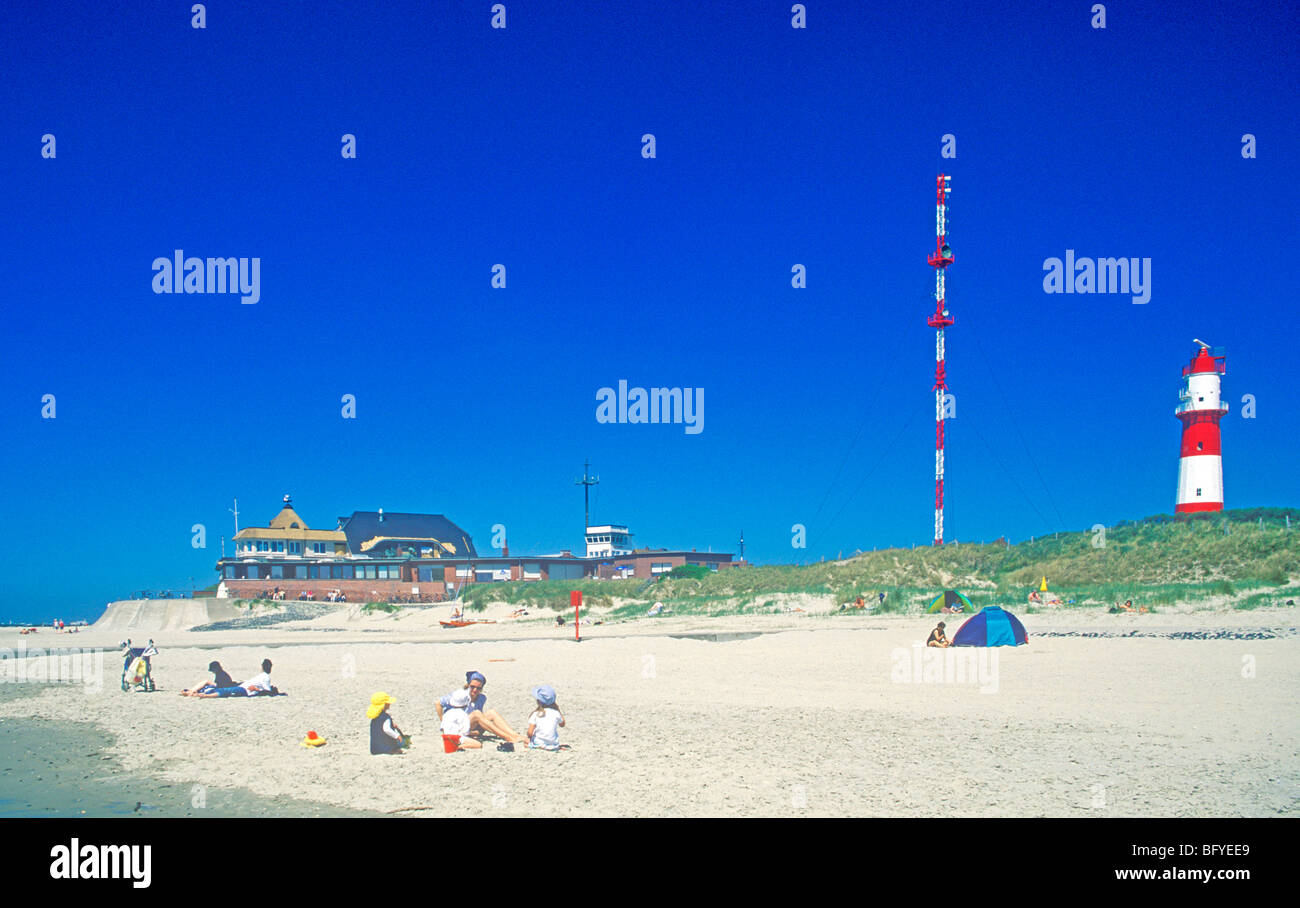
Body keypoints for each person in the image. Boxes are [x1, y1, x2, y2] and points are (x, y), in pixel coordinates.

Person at [435, 671, 527, 746]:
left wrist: (477, 732)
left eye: (478, 688)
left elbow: (482, 721)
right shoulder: (460, 695)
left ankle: (514, 735)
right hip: (457, 726)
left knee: (491, 712)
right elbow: (438, 703)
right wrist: (443, 724)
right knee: (477, 714)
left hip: (468, 724)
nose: (475, 690)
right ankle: (507, 737)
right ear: (468, 685)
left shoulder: (481, 698)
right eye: (472, 687)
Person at [193, 659, 277, 697]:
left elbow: (268, 692)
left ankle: (201, 694)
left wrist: (256, 689)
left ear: (262, 667)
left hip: (244, 689)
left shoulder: (265, 677)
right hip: (242, 687)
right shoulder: (263, 676)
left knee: (225, 691)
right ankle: (196, 693)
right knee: (224, 691)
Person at [525, 685, 565, 751]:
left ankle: (538, 746)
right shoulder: (556, 713)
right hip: (554, 745)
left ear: (538, 701)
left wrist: (529, 737)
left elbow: (530, 733)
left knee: (526, 742)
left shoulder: (536, 714)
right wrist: (558, 709)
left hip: (539, 743)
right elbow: (562, 724)